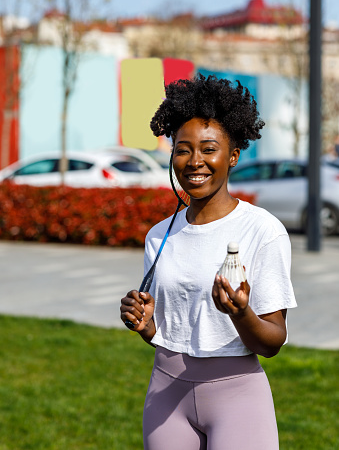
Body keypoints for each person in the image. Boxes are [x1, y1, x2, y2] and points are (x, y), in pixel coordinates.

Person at [120, 74, 297, 450]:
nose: (194, 161)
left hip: (237, 397)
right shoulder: (159, 234)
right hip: (166, 392)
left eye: (209, 148)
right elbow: (172, 332)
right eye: (183, 149)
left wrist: (240, 312)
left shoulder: (263, 231)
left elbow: (273, 341)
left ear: (232, 155)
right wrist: (147, 325)